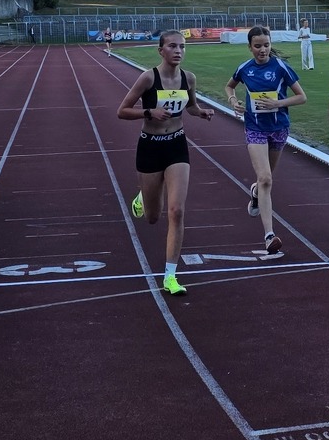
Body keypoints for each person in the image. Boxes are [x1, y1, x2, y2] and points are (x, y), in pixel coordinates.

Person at [117, 28, 213, 295]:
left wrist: (201, 112)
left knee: (176, 211)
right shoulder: (148, 78)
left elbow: (190, 106)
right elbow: (122, 111)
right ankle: (142, 198)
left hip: (176, 145)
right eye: (172, 46)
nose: (178, 51)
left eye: (182, 46)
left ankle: (170, 276)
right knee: (152, 217)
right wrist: (149, 112)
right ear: (161, 51)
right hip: (150, 147)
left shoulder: (188, 78)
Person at [225, 24, 306, 258]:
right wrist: (233, 101)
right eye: (258, 46)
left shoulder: (280, 67)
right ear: (250, 47)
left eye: (266, 45)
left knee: (266, 177)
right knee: (266, 178)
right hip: (255, 127)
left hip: (279, 128)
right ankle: (269, 236)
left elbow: (301, 97)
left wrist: (278, 103)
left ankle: (255, 191)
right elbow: (229, 86)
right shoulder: (244, 69)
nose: (263, 50)